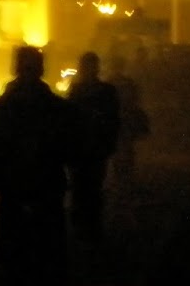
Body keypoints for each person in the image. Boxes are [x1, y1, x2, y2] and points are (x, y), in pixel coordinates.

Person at [0, 45, 74, 285]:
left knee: (12, 267)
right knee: (49, 265)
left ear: (15, 69)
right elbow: (77, 153)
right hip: (48, 201)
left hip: (12, 201)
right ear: (42, 69)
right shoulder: (60, 110)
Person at [65, 51, 120, 241]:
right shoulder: (105, 91)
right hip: (91, 148)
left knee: (84, 188)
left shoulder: (78, 91)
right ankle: (89, 227)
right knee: (90, 188)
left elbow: (68, 119)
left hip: (87, 148)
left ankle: (84, 226)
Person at [109, 50, 149, 182]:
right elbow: (136, 100)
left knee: (117, 148)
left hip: (115, 120)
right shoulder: (128, 82)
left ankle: (120, 175)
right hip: (126, 120)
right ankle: (127, 175)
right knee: (127, 147)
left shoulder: (109, 83)